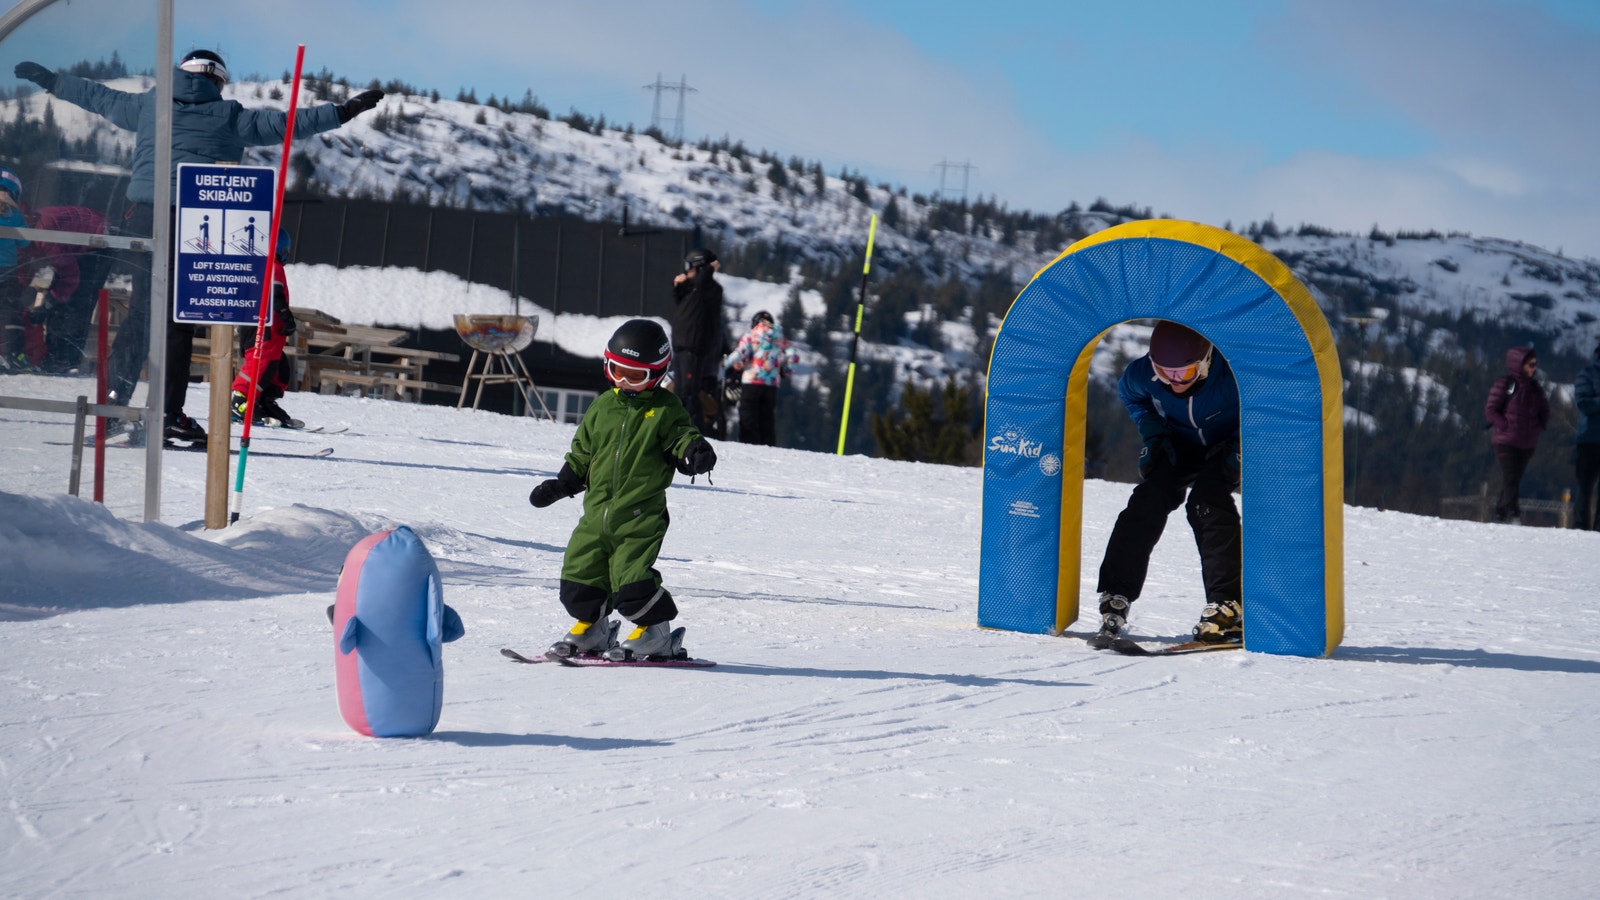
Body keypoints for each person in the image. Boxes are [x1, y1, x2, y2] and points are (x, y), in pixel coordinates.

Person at [15, 50, 381, 445]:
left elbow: (98, 97)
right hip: (195, 221)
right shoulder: (229, 117)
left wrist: (52, 80)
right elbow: (289, 123)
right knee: (177, 318)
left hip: (140, 216)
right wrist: (343, 111)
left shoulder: (149, 105)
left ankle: (114, 408)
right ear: (217, 82)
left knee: (141, 315)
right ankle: (168, 413)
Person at [527, 318, 718, 661]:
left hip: (639, 517)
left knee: (631, 584)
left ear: (657, 374)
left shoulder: (664, 409)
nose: (624, 382)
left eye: (636, 376)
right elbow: (582, 453)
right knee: (578, 580)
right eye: (617, 371)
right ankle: (594, 629)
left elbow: (680, 437)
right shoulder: (602, 407)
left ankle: (657, 634)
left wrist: (694, 452)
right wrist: (560, 485)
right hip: (596, 514)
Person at [1090, 320, 1243, 649]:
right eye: (1164, 374)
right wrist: (1154, 434)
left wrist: (1242, 446)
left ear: (1205, 363)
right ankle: (1116, 593)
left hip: (1226, 446)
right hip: (1181, 443)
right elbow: (1133, 397)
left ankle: (1228, 606)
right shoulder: (1141, 374)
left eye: (1183, 374)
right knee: (1149, 498)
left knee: (1206, 502)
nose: (1173, 383)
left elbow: (1266, 405)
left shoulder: (1233, 374)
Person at [230, 230, 299, 426]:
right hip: (263, 326)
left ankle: (263, 400)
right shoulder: (271, 266)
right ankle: (240, 398)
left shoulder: (269, 266)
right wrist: (286, 316)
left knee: (280, 369)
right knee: (261, 363)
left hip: (272, 330)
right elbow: (274, 293)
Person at [1484, 346, 1550, 525]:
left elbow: (1545, 411)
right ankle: (1512, 515)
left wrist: (1538, 427)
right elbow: (1491, 410)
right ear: (1519, 364)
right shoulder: (1505, 385)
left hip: (1527, 444)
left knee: (1512, 479)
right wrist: (1505, 425)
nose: (1533, 368)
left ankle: (1500, 513)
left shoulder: (1536, 389)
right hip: (1506, 441)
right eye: (1530, 364)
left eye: (1535, 364)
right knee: (1511, 477)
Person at [670, 247, 725, 433]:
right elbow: (680, 303)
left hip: (694, 346)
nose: (687, 271)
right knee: (679, 392)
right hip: (681, 346)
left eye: (691, 266)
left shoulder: (711, 289)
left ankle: (694, 432)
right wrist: (677, 286)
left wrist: (708, 269)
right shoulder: (692, 289)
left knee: (689, 392)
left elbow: (703, 284)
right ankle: (677, 430)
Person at [725, 310, 800, 446]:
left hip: (751, 383)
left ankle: (748, 448)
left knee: (748, 419)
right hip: (771, 385)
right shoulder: (780, 337)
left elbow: (739, 354)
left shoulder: (751, 335)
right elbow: (794, 357)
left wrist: (723, 365)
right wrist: (784, 372)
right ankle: (768, 450)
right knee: (767, 420)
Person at [0, 169, 31, 370]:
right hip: (8, 272)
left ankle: (9, 354)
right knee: (9, 313)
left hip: (8, 272)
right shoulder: (15, 216)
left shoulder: (15, 216)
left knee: (9, 313)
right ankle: (9, 354)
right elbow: (25, 241)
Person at [1570, 339, 1599, 530]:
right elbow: (1583, 403)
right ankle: (1580, 527)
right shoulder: (1587, 374)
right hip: (1589, 439)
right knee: (1584, 486)